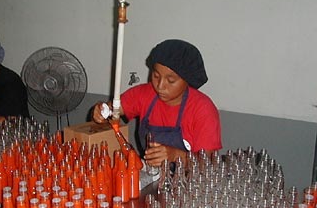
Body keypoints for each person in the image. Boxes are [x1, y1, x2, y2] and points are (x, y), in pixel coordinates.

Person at [92, 39, 222, 166]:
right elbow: (113, 110)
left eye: (170, 80)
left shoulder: (203, 109)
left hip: (189, 182)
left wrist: (176, 156)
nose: (160, 86)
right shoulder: (144, 94)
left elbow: (207, 162)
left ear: (187, 80)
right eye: (156, 76)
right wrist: (102, 110)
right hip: (152, 176)